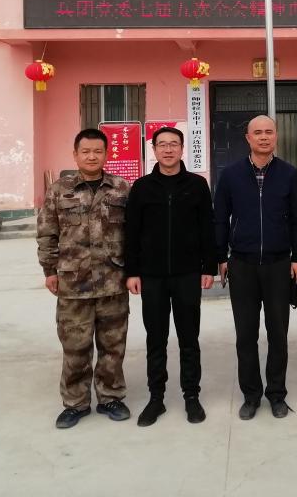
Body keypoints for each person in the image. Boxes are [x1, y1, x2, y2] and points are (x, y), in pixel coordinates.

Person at [37, 128, 131, 429]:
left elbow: (134, 233)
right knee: (75, 347)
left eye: (98, 151)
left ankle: (110, 397)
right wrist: (49, 270)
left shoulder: (121, 188)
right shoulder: (58, 190)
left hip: (113, 281)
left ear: (107, 154)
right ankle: (75, 403)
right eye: (86, 152)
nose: (92, 157)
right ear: (75, 155)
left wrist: (133, 271)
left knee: (113, 345)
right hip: (73, 284)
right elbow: (47, 233)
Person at [214, 115, 297, 420]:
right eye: (258, 133)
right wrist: (221, 257)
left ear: (276, 136)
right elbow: (220, 218)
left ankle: (277, 394)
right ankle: (251, 395)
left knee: (278, 334)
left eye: (269, 132)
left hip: (279, 264)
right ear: (248, 138)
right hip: (242, 264)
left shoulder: (289, 174)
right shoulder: (231, 175)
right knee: (246, 335)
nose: (264, 137)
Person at [125, 126, 216, 427]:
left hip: (187, 274)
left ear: (181, 148)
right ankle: (156, 399)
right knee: (156, 339)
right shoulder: (141, 188)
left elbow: (207, 227)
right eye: (162, 145)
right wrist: (132, 271)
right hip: (151, 276)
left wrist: (208, 267)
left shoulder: (197, 185)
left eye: (173, 144)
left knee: (189, 338)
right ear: (153, 150)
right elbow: (131, 232)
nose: (168, 149)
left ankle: (191, 396)